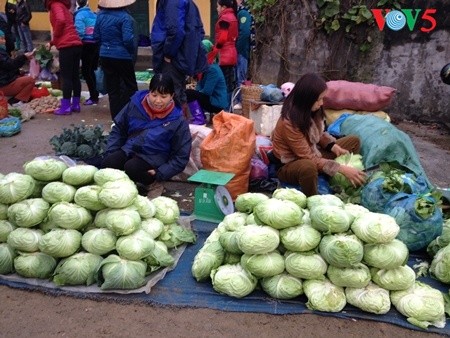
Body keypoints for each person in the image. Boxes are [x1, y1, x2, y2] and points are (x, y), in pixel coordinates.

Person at [270, 73, 366, 197]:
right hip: (291, 164)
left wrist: (332, 146)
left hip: (314, 152)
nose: (321, 103)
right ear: (307, 99)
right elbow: (308, 158)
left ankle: (345, 182)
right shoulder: (289, 122)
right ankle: (313, 199)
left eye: (322, 98)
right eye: (318, 99)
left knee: (353, 141)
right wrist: (341, 168)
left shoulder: (312, 110)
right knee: (308, 167)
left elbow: (318, 133)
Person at [101, 73, 192, 196]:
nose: (158, 101)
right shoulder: (135, 104)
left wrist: (160, 173)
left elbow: (181, 155)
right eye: (154, 95)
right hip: (130, 149)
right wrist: (112, 151)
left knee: (132, 168)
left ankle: (153, 183)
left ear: (172, 96)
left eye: (163, 96)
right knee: (109, 163)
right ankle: (127, 186)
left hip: (155, 157)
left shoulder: (178, 120)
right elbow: (119, 129)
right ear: (149, 92)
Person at [151, 0, 208, 114]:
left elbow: (176, 31)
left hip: (174, 56)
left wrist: (168, 53)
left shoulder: (173, 2)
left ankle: (178, 127)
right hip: (182, 55)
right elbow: (199, 31)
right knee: (178, 93)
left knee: (171, 95)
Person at [94, 0, 138, 119]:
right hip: (122, 56)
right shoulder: (125, 17)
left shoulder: (100, 16)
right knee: (131, 86)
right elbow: (128, 39)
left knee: (113, 89)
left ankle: (116, 119)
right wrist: (130, 51)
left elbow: (96, 36)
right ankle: (129, 115)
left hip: (105, 55)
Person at [45, 0, 83, 115]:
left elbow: (60, 21)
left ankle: (66, 106)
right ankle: (76, 105)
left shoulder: (55, 5)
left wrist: (55, 38)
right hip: (76, 44)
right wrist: (53, 42)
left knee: (66, 77)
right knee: (75, 76)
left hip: (67, 46)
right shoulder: (64, 6)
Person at [185, 39, 228, 124]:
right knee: (191, 93)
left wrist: (196, 92)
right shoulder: (207, 67)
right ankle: (200, 117)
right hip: (212, 99)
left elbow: (207, 91)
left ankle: (200, 118)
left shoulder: (212, 69)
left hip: (217, 103)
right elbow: (200, 86)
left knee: (188, 93)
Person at [208, 0, 238, 105]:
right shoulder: (233, 16)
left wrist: (214, 51)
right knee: (229, 83)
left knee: (223, 84)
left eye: (218, 6)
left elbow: (222, 38)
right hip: (232, 53)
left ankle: (223, 108)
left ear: (223, 7)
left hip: (225, 55)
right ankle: (228, 108)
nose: (217, 9)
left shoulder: (225, 18)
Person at [74, 0, 99, 106]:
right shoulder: (93, 14)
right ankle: (95, 94)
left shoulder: (79, 16)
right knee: (91, 70)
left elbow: (80, 32)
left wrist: (77, 43)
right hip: (95, 44)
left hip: (86, 45)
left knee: (86, 71)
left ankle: (93, 96)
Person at [0, 29, 35, 105]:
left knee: (23, 78)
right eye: (1, 39)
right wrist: (24, 57)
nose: (4, 41)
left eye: (4, 38)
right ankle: (15, 102)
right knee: (30, 80)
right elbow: (10, 65)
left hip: (4, 82)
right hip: (3, 85)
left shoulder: (2, 52)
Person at [233, 0, 255, 110]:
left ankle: (240, 102)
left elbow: (245, 32)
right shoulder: (239, 13)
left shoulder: (243, 13)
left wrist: (237, 48)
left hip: (242, 51)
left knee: (240, 77)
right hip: (241, 51)